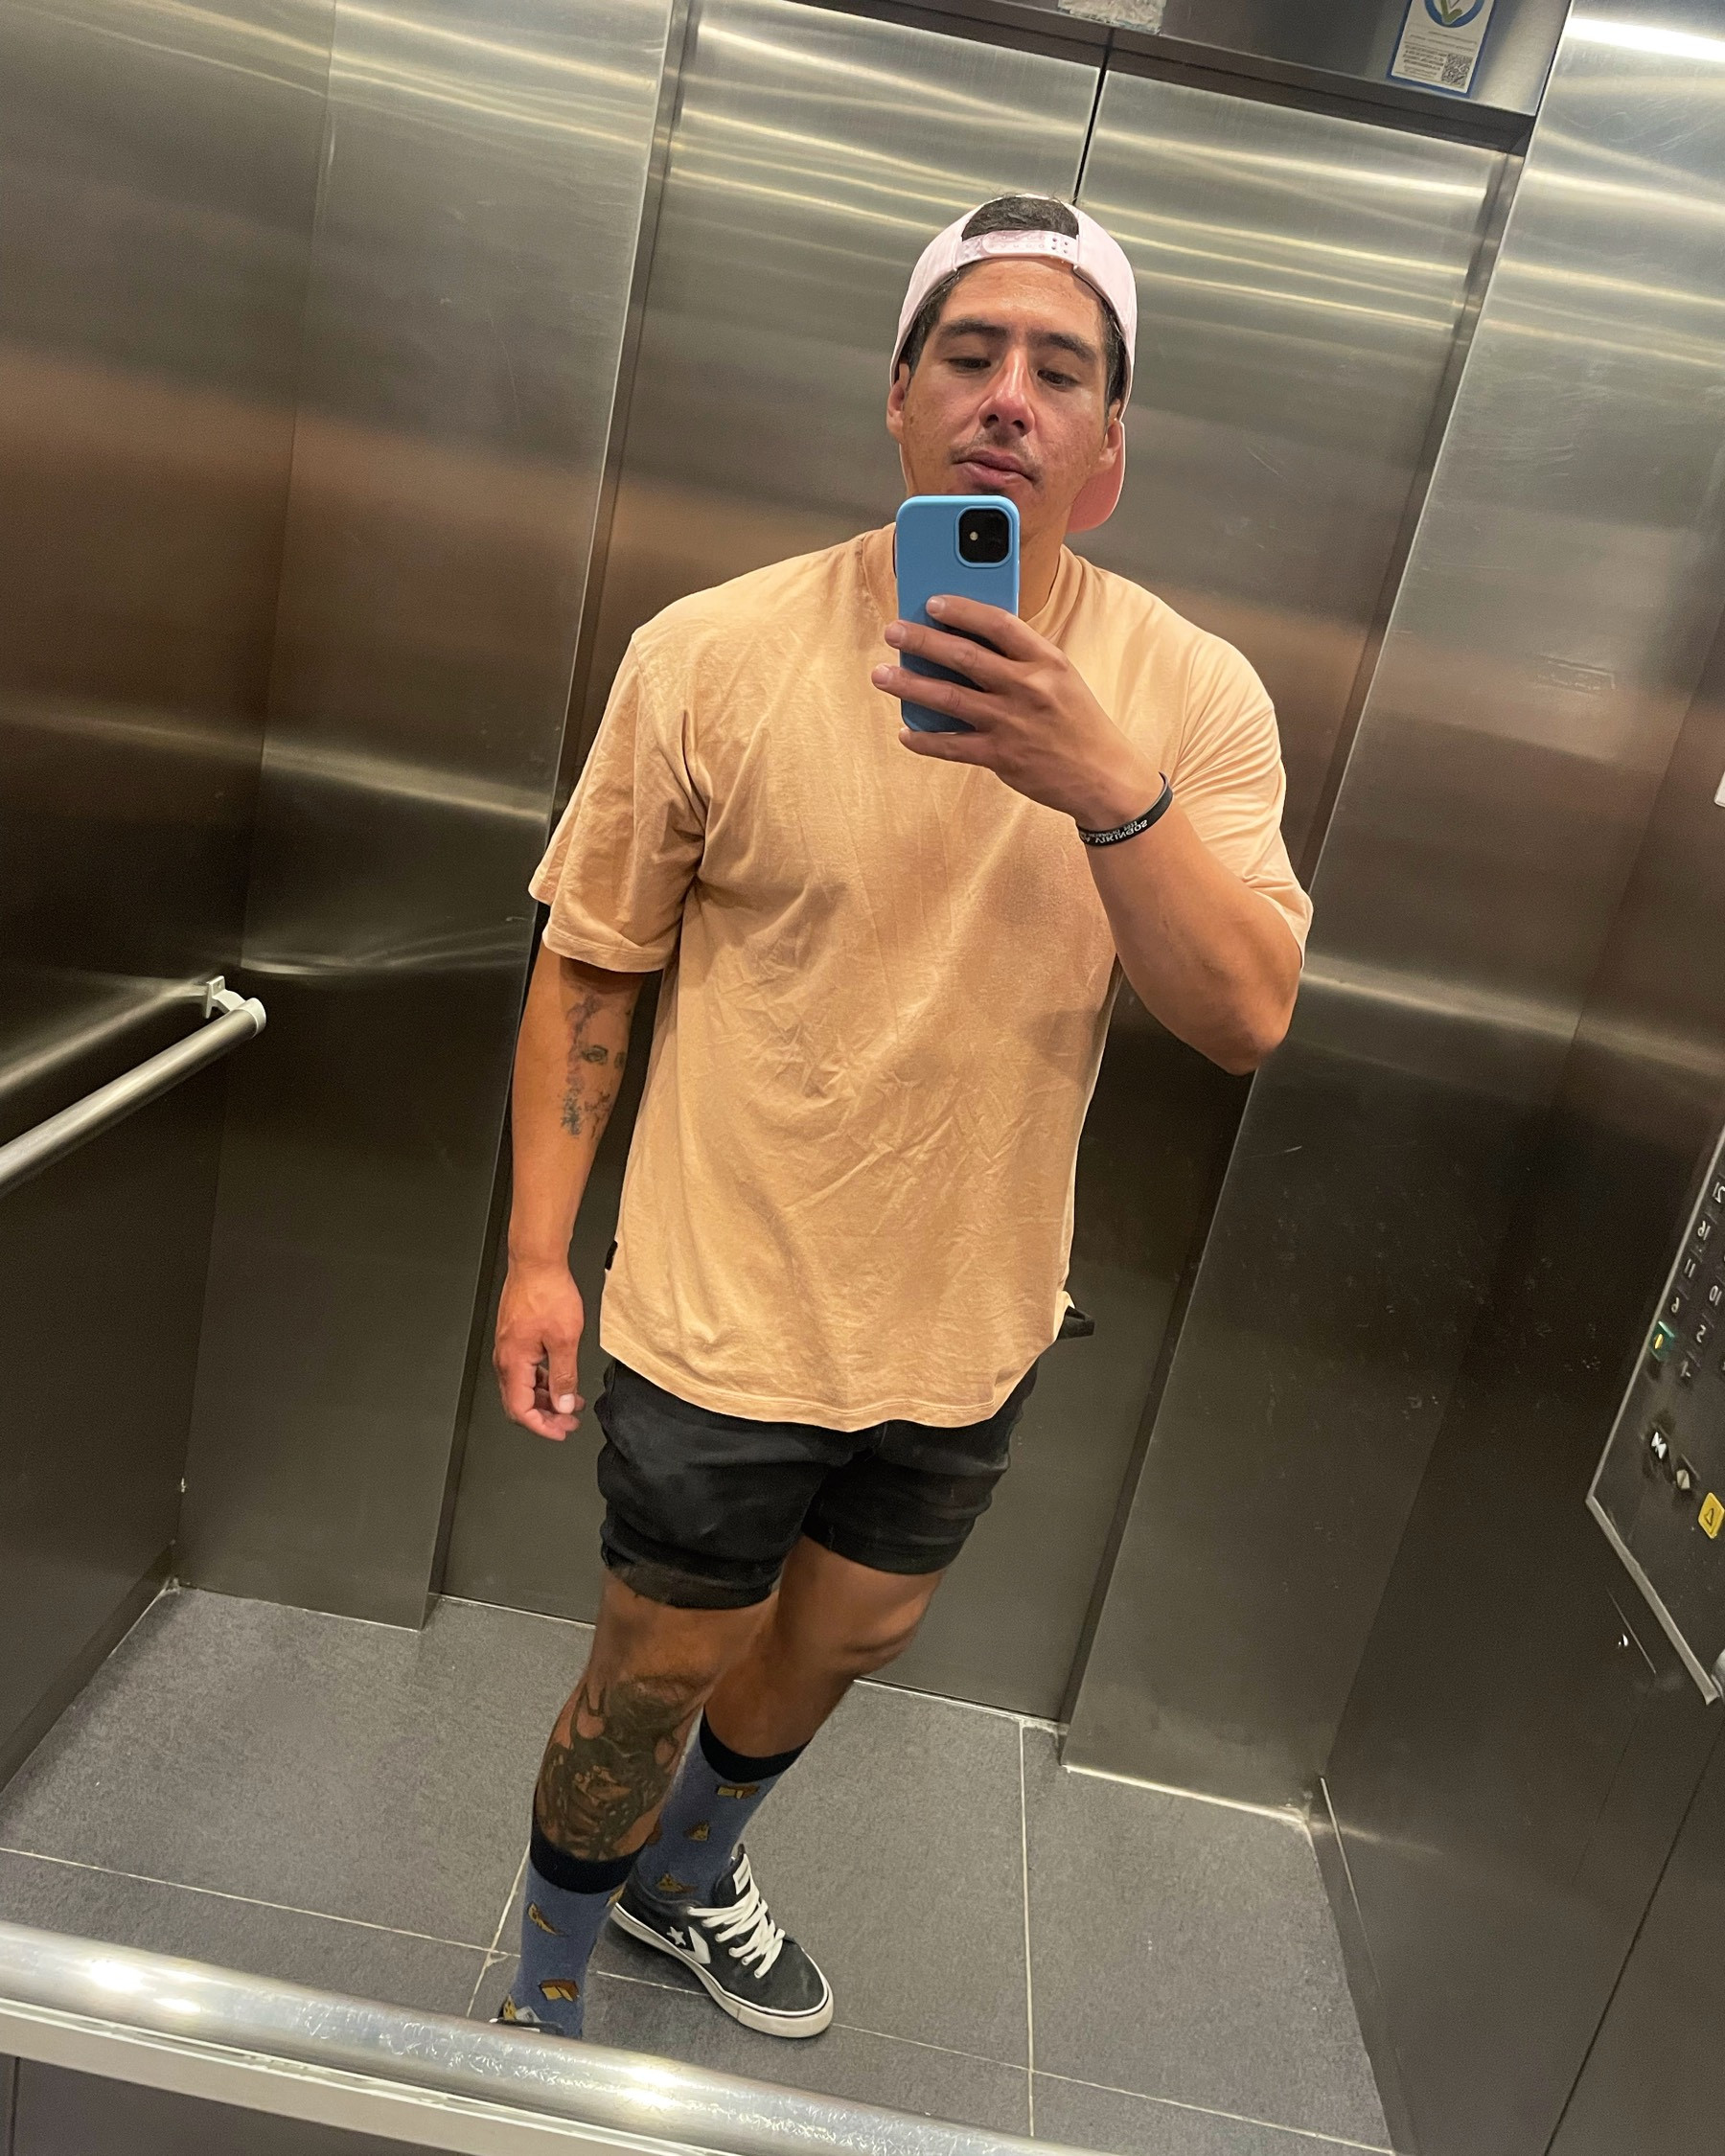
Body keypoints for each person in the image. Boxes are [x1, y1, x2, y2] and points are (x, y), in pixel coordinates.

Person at [492, 195, 1311, 2042]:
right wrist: (541, 1253)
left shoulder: (1193, 697)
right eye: (970, 351)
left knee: (854, 1631)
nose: (1010, 394)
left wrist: (1105, 784)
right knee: (653, 1670)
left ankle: (685, 1878)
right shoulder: (710, 653)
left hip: (966, 1317)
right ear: (900, 396)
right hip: (721, 1302)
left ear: (1109, 448)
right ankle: (539, 1994)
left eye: (1061, 369)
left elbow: (1245, 1014)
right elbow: (593, 964)